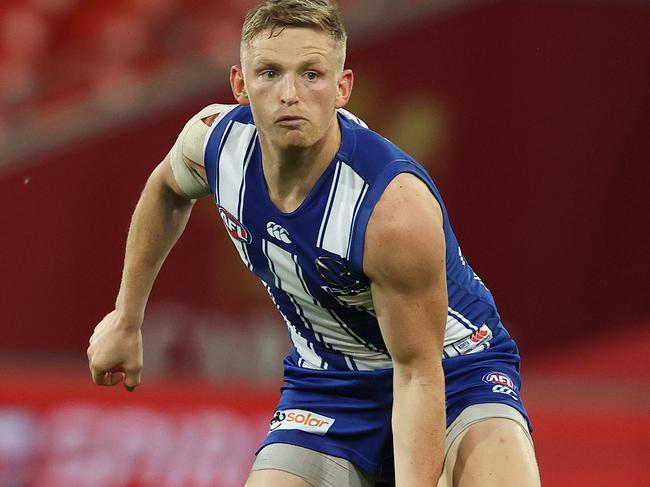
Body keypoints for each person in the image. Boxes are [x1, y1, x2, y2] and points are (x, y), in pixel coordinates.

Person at [87, 1, 541, 485]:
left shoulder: (392, 209)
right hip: (329, 384)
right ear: (239, 85)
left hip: (454, 372)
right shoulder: (213, 144)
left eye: (311, 75)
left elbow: (417, 375)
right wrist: (126, 317)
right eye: (269, 73)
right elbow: (166, 190)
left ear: (343, 88)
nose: (289, 94)